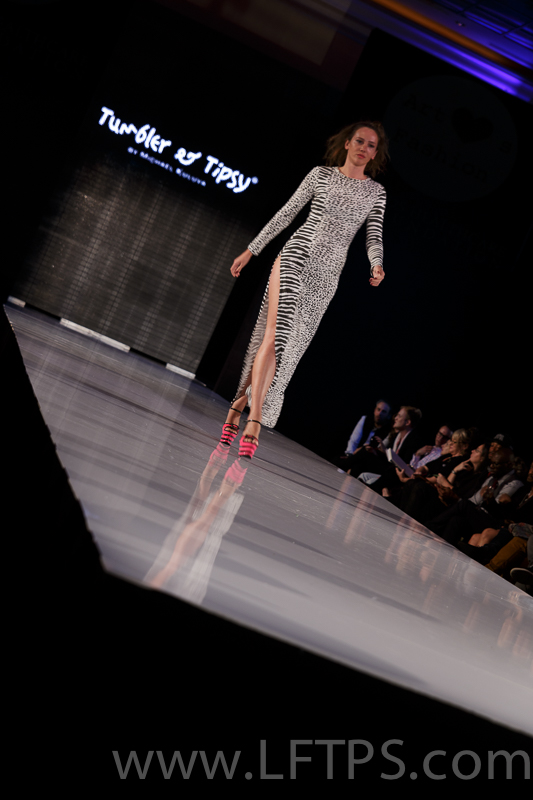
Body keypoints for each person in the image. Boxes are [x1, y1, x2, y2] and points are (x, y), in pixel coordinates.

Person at [218, 121, 389, 458]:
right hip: (297, 256)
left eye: (371, 145)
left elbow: (374, 235)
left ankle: (238, 405)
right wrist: (251, 250)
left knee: (288, 348)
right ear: (346, 143)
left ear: (375, 153)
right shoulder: (320, 175)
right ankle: (255, 420)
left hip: (327, 274)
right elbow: (287, 213)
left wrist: (376, 263)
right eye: (359, 141)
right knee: (276, 335)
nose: (364, 148)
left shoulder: (376, 193)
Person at [337, 399, 392, 470]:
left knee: (355, 466)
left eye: (384, 412)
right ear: (374, 410)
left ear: (388, 415)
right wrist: (350, 455)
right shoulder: (365, 419)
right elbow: (354, 440)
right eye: (378, 409)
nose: (379, 413)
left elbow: (378, 449)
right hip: (353, 455)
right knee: (337, 460)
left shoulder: (388, 431)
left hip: (367, 460)